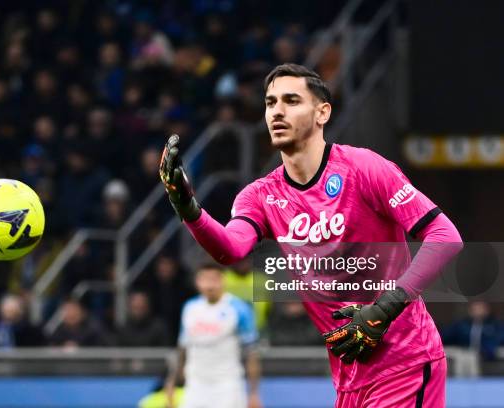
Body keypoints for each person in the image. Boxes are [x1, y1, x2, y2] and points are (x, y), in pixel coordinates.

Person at [160, 64, 463, 407]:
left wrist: (385, 309)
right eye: (270, 102)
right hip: (350, 378)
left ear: (322, 113)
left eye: (291, 100)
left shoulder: (364, 168)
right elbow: (230, 249)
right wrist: (188, 208)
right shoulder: (259, 195)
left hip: (405, 362)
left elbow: (445, 235)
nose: (277, 110)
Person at [165, 264, 261, 408]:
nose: (209, 285)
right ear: (197, 282)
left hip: (227, 383)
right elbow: (183, 348)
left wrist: (254, 394)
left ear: (223, 281)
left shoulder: (239, 308)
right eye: (205, 279)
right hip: (195, 383)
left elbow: (251, 353)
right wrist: (171, 383)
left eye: (214, 279)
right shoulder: (190, 308)